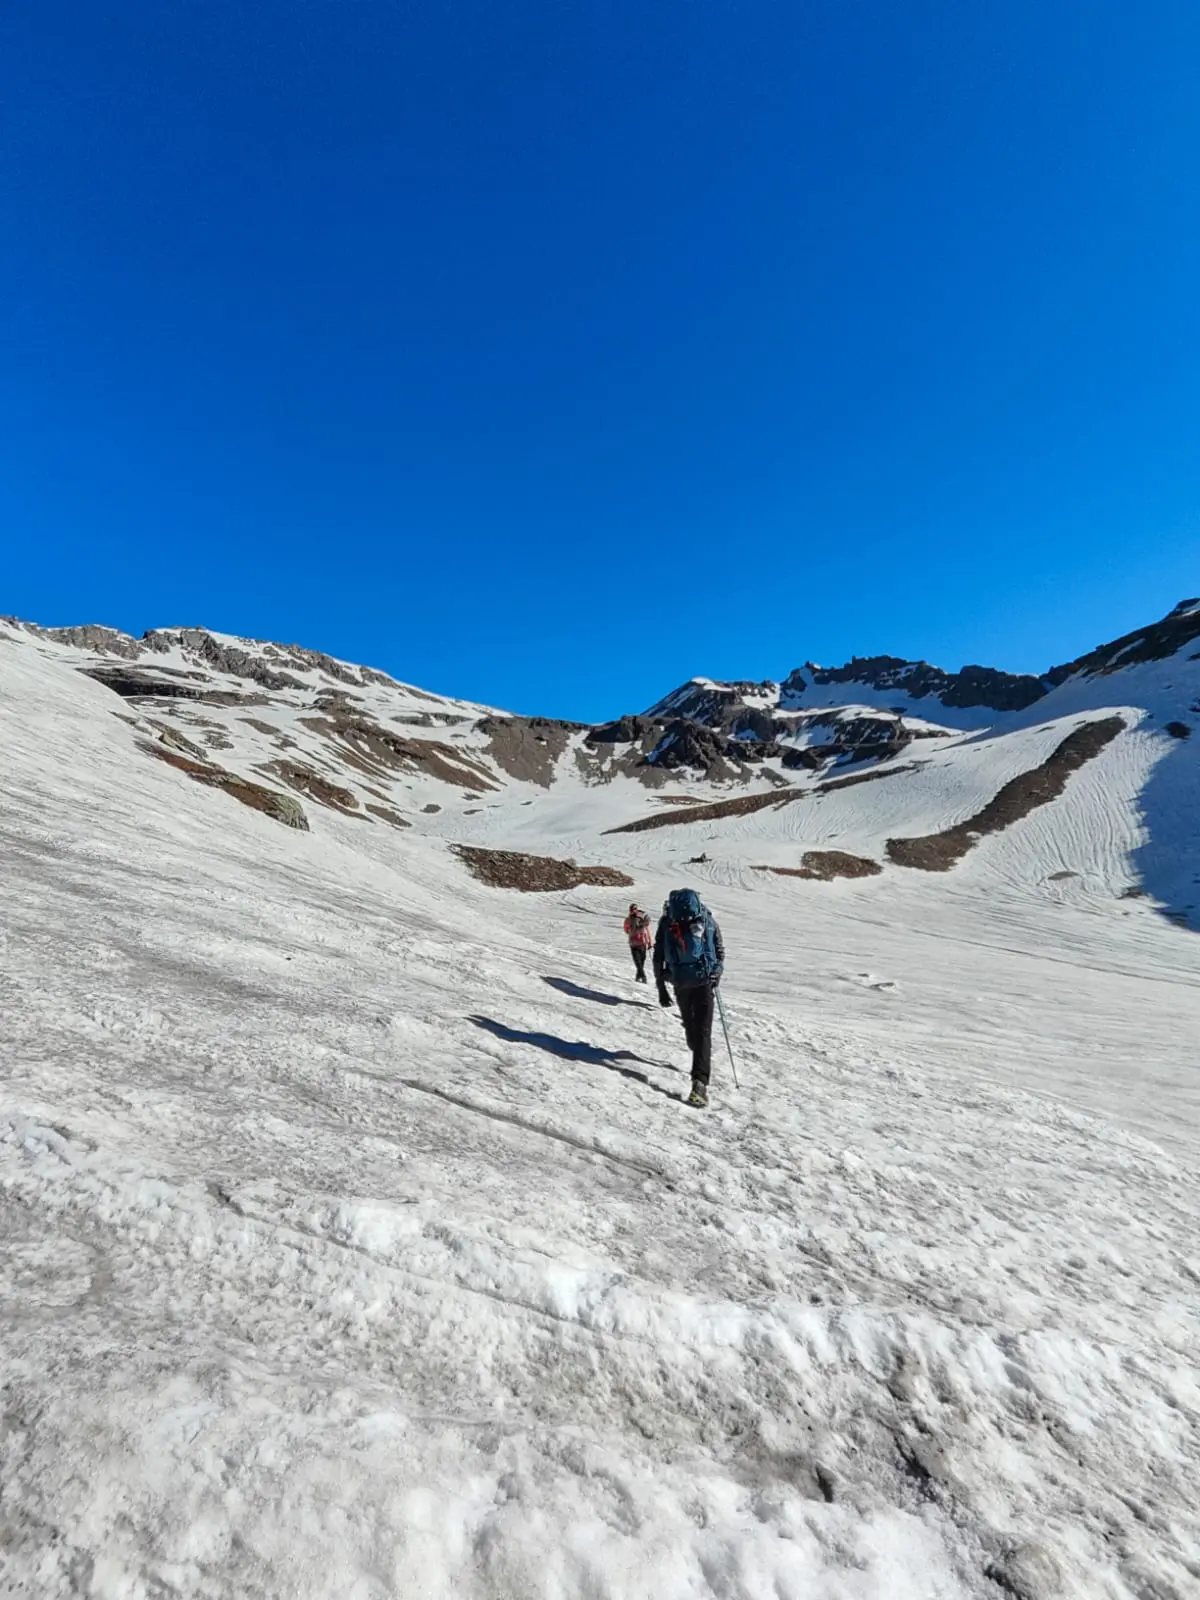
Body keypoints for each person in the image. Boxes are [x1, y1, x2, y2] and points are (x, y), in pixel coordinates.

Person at [653, 888, 724, 1109]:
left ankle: (698, 1077)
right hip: (704, 981)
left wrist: (661, 987)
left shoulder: (667, 922)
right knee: (703, 1033)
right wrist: (717, 972)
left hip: (680, 982)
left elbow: (658, 956)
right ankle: (700, 1085)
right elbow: (719, 950)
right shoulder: (706, 919)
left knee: (693, 1029)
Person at [623, 902, 653, 982]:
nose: (633, 911)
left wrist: (649, 942)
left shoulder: (641, 918)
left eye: (634, 909)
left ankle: (638, 976)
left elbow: (647, 931)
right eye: (632, 909)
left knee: (642, 961)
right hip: (634, 944)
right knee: (638, 961)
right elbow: (626, 929)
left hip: (642, 943)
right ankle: (643, 976)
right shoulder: (628, 919)